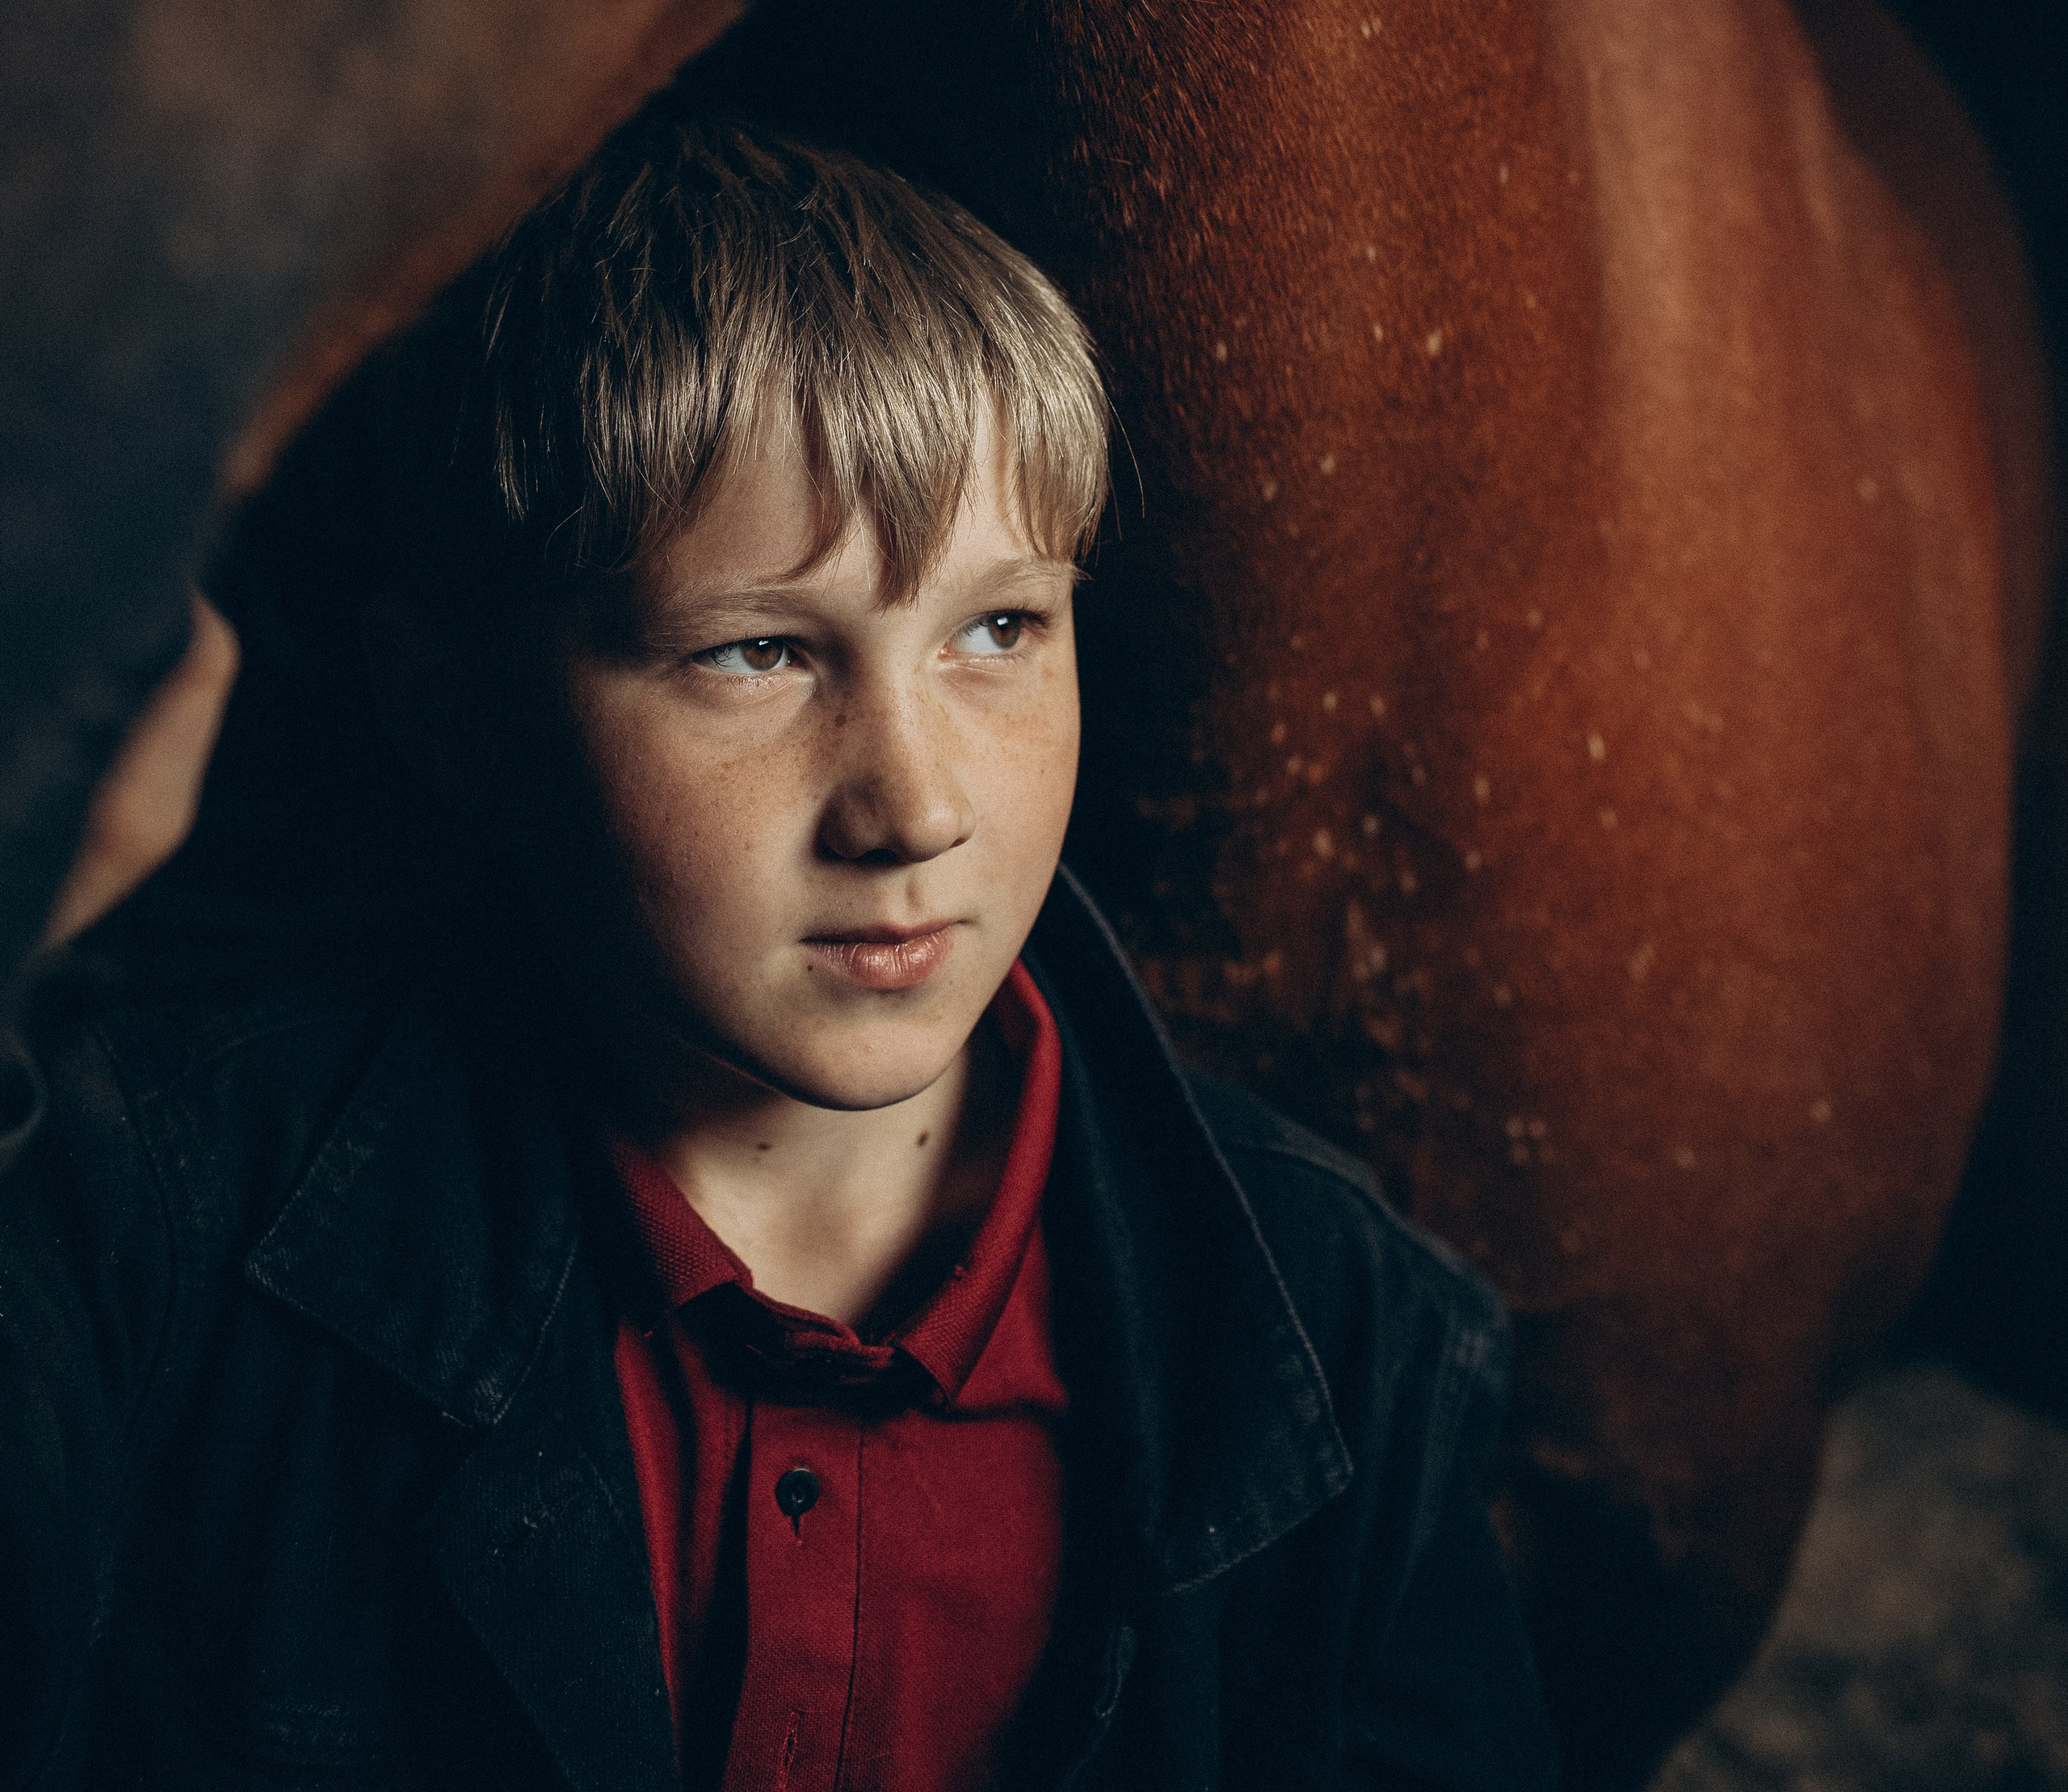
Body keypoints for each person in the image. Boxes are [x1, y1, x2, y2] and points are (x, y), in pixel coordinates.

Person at [0, 114, 1558, 1791]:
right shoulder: (141, 1225)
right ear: (452, 718)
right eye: (756, 653)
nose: (913, 808)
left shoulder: (1351, 1340)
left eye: (997, 631)